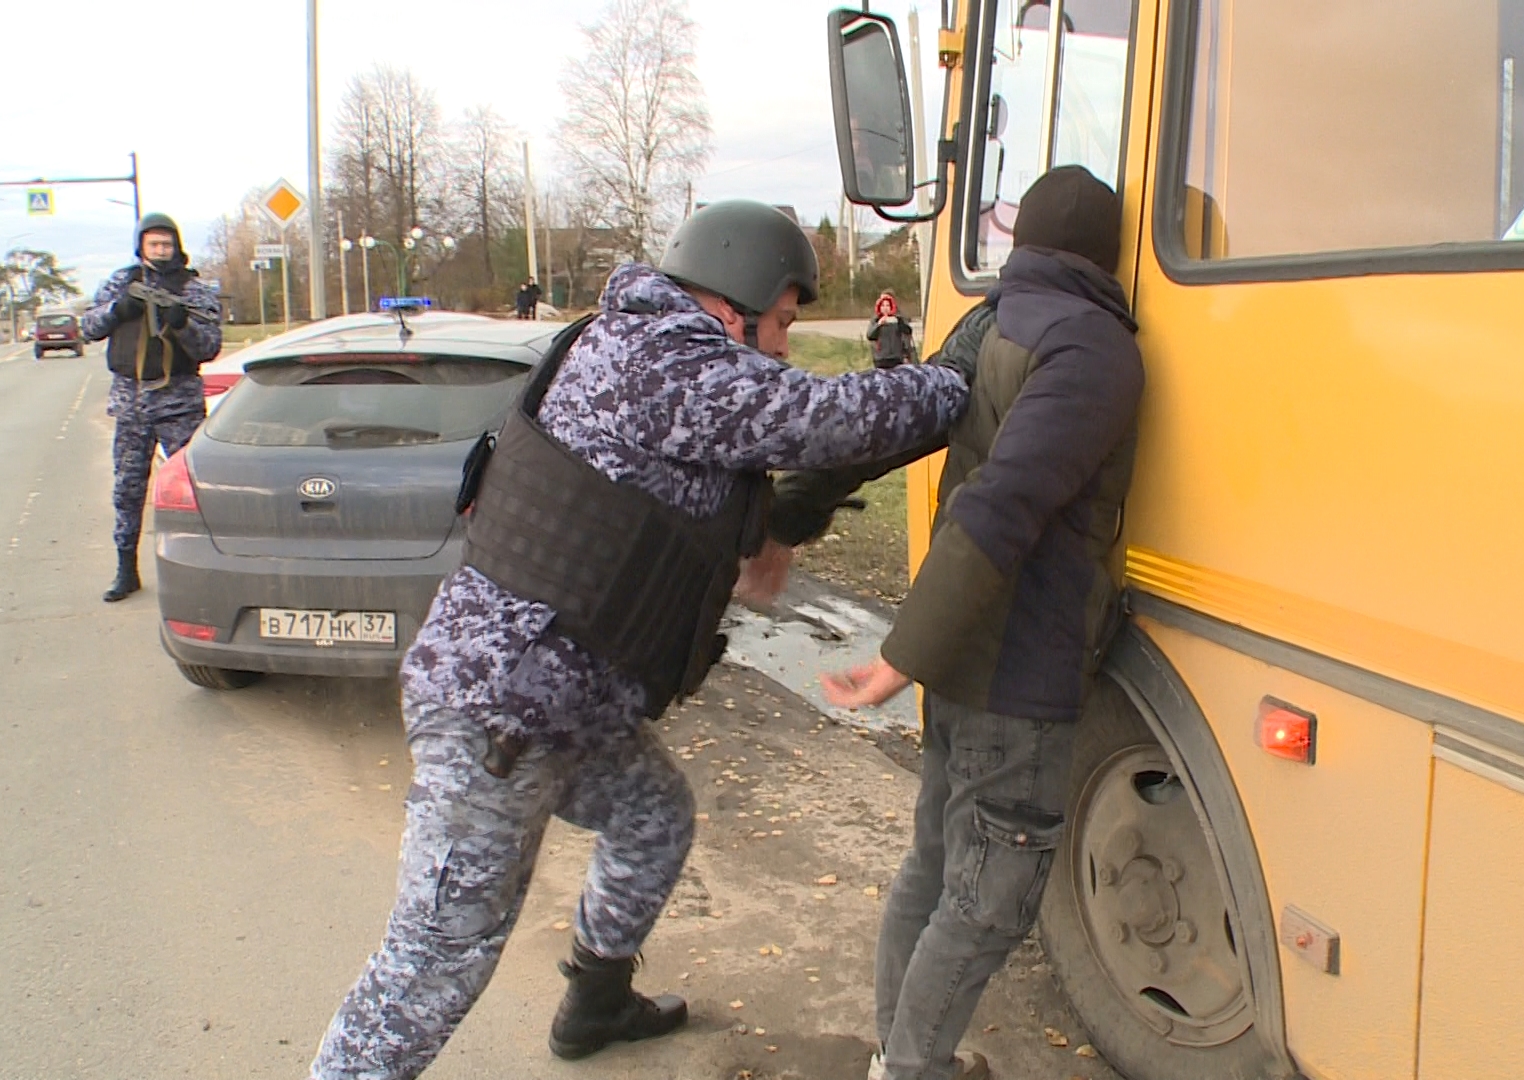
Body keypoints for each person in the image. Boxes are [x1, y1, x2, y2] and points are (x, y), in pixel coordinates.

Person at [309, 199, 979, 1080]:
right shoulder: (662, 360)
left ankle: (596, 1000)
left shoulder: (643, 347)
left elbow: (697, 511)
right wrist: (957, 371)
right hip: (500, 714)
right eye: (780, 322)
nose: (783, 342)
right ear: (734, 299)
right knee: (435, 962)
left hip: (559, 704)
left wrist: (781, 520)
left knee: (653, 815)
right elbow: (828, 418)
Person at [774, 166, 1143, 1080]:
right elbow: (1000, 506)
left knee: (938, 870)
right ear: (1109, 253)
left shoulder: (993, 322)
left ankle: (896, 1056)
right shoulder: (1092, 347)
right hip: (1018, 668)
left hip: (972, 660)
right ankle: (911, 1068)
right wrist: (899, 657)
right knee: (990, 901)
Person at [81, 212, 221, 602]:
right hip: (132, 403)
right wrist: (117, 311)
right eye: (153, 244)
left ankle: (202, 571)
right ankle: (126, 568)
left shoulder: (194, 290)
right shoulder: (122, 282)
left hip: (179, 403)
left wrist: (181, 325)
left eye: (166, 244)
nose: (160, 251)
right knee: (128, 489)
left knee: (192, 489)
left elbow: (209, 346)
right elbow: (88, 327)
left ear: (177, 247)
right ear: (141, 246)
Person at [866, 290, 914, 368]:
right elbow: (870, 335)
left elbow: (907, 334)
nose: (885, 308)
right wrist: (879, 325)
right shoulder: (875, 320)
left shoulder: (898, 319)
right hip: (880, 359)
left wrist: (905, 355)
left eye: (887, 305)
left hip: (896, 358)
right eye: (882, 305)